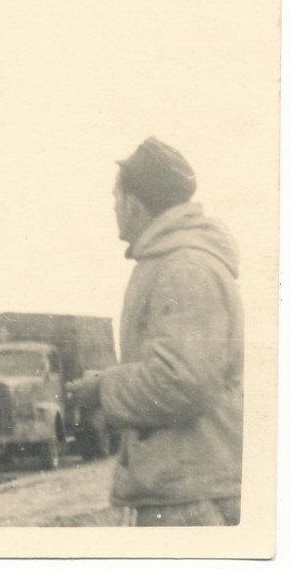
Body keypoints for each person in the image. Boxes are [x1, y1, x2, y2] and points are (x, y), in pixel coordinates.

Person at [67, 137, 243, 526]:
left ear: (134, 203)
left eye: (116, 198)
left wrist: (103, 389)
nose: (114, 208)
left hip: (192, 498)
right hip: (185, 487)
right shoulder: (176, 263)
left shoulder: (185, 269)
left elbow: (182, 382)